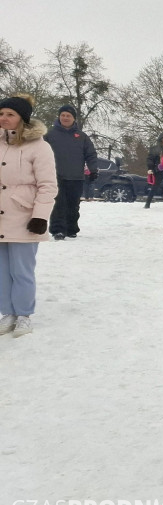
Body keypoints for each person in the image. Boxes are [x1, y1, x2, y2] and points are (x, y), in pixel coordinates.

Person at [0, 94, 57, 338]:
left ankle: (23, 314)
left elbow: (47, 185)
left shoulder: (39, 146)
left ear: (22, 118)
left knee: (21, 269)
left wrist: (40, 216)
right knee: (2, 270)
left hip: (24, 217)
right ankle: (8, 312)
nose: (4, 118)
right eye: (1, 114)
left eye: (10, 114)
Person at [44, 104, 97, 240]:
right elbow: (40, 153)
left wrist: (93, 170)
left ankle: (71, 229)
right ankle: (58, 230)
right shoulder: (49, 134)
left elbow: (90, 154)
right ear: (59, 117)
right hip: (56, 176)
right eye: (63, 115)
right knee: (59, 204)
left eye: (68, 115)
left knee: (73, 205)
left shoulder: (82, 136)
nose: (65, 118)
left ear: (74, 118)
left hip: (76, 177)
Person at [144, 133, 163, 209]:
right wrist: (150, 168)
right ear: (161, 140)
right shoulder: (155, 149)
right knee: (155, 187)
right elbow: (150, 159)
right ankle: (147, 203)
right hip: (158, 170)